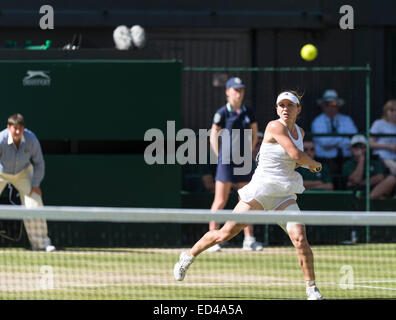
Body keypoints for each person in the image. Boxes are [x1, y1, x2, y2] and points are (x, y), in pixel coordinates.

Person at [174, 91, 324, 300]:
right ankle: (188, 256)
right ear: (277, 109)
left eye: (290, 105)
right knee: (224, 234)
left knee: (300, 239)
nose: (285, 109)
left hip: (284, 195)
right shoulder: (275, 126)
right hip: (261, 191)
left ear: (298, 109)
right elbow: (296, 155)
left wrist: (304, 163)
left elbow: (294, 162)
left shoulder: (300, 132)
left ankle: (311, 289)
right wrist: (316, 165)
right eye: (281, 105)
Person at [207, 77, 263, 252]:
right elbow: (213, 135)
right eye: (235, 89)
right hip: (226, 162)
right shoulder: (222, 113)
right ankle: (212, 239)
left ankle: (249, 240)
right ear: (228, 92)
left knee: (246, 201)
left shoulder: (249, 112)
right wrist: (220, 156)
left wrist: (248, 152)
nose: (239, 93)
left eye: (241, 90)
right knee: (220, 200)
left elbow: (254, 134)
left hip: (244, 163)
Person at [0, 113, 55, 251]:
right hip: (1, 172)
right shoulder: (1, 139)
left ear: (24, 128)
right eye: (14, 128)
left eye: (20, 128)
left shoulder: (31, 139)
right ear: (8, 127)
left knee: (34, 203)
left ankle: (41, 244)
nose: (17, 131)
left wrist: (35, 184)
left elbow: (39, 163)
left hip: (23, 173)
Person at [311, 89, 358, 174]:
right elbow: (324, 142)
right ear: (323, 106)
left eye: (334, 104)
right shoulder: (317, 121)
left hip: (346, 159)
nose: (331, 107)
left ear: (338, 105)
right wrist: (343, 138)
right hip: (325, 160)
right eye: (327, 104)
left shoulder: (347, 120)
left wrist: (333, 140)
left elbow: (354, 138)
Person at [342, 134, 396, 199]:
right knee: (381, 197)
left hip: (375, 189)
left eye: (362, 146)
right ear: (351, 148)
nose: (359, 149)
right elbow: (356, 180)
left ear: (366, 148)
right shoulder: (347, 164)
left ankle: (369, 198)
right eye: (356, 146)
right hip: (358, 191)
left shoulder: (374, 162)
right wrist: (361, 159)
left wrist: (361, 183)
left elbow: (379, 177)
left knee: (391, 179)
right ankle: (370, 199)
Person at [369, 99, 396, 175]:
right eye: (391, 110)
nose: (394, 113)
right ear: (386, 111)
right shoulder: (379, 123)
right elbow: (370, 143)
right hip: (382, 157)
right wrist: (389, 147)